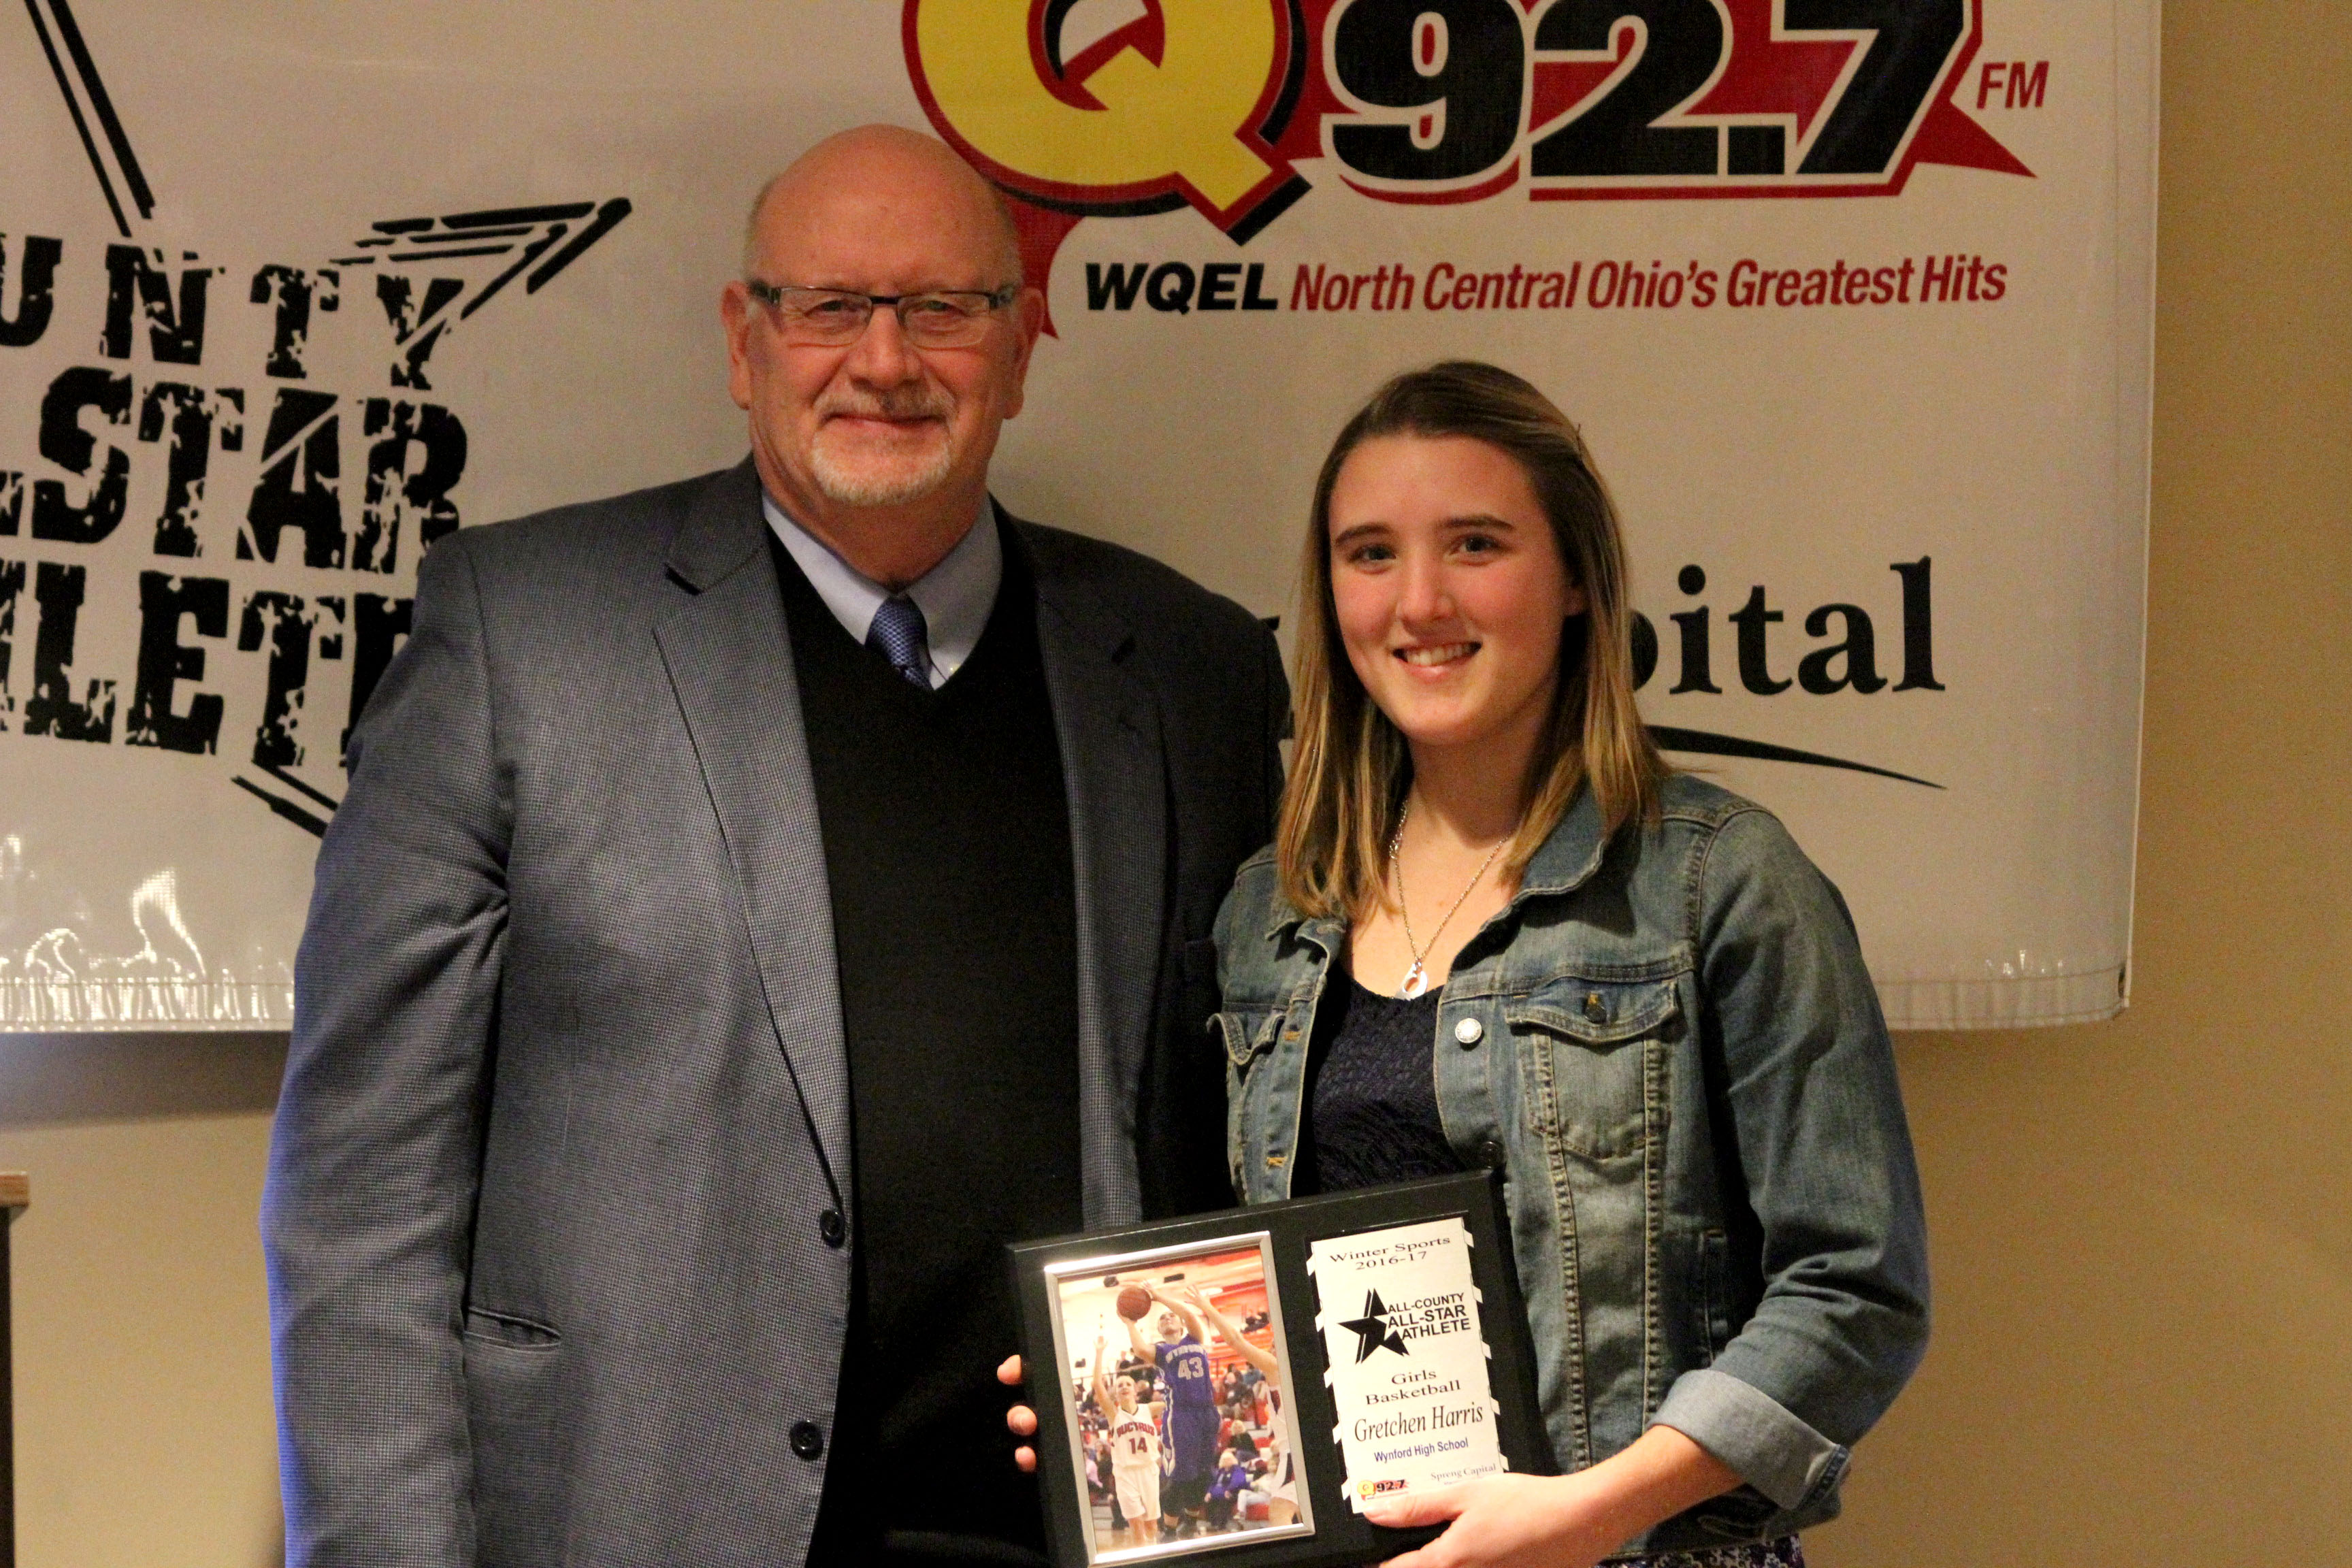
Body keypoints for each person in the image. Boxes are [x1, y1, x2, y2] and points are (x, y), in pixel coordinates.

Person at [262, 125, 1286, 1568]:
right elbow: (360, 1200)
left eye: (942, 309)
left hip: (1091, 1535)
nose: (886, 360)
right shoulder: (518, 636)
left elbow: (1247, 1149)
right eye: (830, 309)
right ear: (744, 342)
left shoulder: (1189, 666)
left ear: (1020, 344)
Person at [1212, 361, 1929, 1565]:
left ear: (1579, 579)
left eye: (1475, 544)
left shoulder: (1720, 881)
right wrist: (1112, 1389)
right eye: (1371, 553)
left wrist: (1589, 1512)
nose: (1419, 601)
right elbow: (1247, 1291)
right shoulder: (1270, 909)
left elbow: (1855, 1287)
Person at [1124, 1287, 1219, 1537]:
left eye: (1171, 1316)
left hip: (1207, 1412)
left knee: (1205, 1473)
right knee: (1179, 1475)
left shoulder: (1195, 1338)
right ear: (1159, 1329)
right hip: (1181, 1416)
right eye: (1162, 1318)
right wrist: (1129, 1323)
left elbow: (1189, 1314)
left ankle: (1191, 1518)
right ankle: (1168, 1530)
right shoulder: (1161, 1351)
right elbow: (1140, 1350)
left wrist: (1159, 1297)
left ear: (1180, 1324)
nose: (1167, 1318)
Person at [1091, 1334, 1164, 1546]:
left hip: (1148, 1470)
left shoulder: (1150, 1409)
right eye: (1120, 1385)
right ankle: (1144, 1557)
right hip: (1125, 1473)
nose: (1124, 1387)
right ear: (1115, 1393)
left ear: (1135, 1390)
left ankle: (1153, 1549)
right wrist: (1099, 1352)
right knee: (1136, 1526)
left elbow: (1176, 1402)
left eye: (1128, 1384)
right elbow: (1097, 1384)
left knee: (1151, 1526)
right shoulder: (1113, 1414)